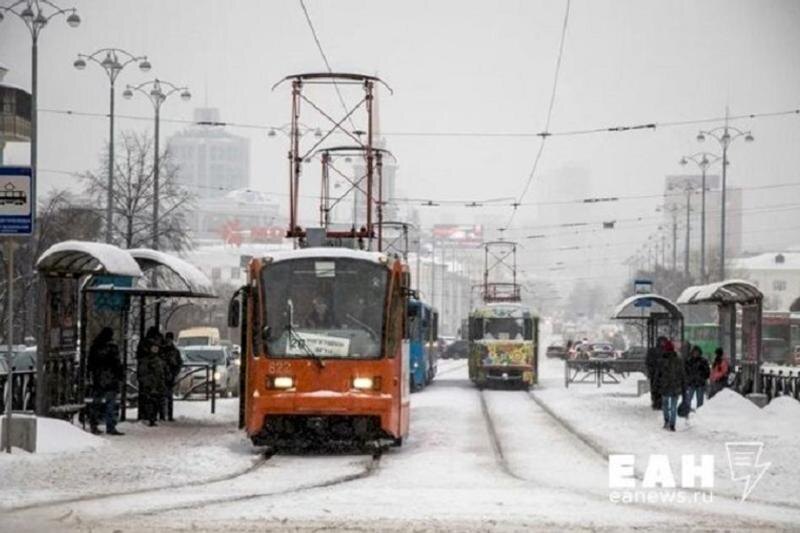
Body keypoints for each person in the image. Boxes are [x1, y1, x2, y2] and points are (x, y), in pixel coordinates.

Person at [87, 327, 124, 436]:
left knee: (96, 402)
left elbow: (90, 363)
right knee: (110, 403)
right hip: (111, 378)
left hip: (98, 378)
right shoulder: (112, 347)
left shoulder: (95, 346)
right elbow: (117, 363)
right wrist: (120, 375)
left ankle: (93, 424)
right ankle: (110, 426)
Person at [137, 327, 166, 427]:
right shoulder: (154, 345)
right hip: (153, 375)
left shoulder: (143, 343)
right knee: (154, 396)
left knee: (147, 396)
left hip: (146, 374)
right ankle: (152, 417)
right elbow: (157, 355)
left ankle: (147, 416)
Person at [654, 339, 685, 431]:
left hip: (665, 386)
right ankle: (672, 424)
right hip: (675, 386)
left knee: (665, 405)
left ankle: (667, 421)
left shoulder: (661, 361)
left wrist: (656, 385)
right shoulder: (678, 360)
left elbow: (658, 375)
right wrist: (683, 385)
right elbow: (682, 374)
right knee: (673, 407)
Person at [161, 331, 183, 422]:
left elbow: (179, 363)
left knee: (169, 396)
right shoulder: (162, 349)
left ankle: (169, 415)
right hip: (161, 376)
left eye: (170, 339)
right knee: (162, 396)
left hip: (170, 376)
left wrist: (174, 373)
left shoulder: (175, 351)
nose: (168, 340)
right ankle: (162, 415)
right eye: (167, 338)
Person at [684, 345, 711, 409]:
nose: (695, 353)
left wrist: (703, 377)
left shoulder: (703, 361)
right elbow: (685, 371)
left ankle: (699, 411)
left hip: (700, 383)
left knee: (700, 400)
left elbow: (707, 371)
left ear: (699, 353)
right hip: (691, 383)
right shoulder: (688, 361)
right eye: (694, 352)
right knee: (688, 399)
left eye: (697, 352)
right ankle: (687, 410)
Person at [645, 336, 667, 410]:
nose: (662, 343)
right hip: (655, 373)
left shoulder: (667, 351)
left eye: (664, 342)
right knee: (655, 389)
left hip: (663, 373)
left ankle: (660, 403)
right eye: (661, 341)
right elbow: (648, 361)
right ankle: (656, 402)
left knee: (661, 389)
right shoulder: (653, 351)